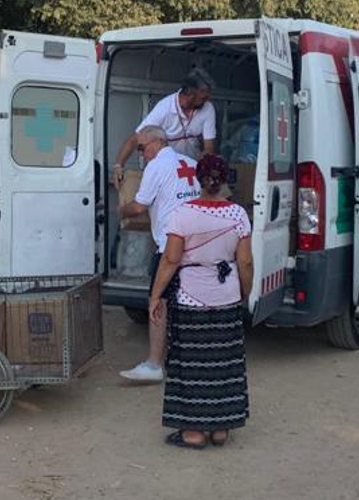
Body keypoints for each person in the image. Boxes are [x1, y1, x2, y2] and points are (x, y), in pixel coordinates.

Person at [150, 153, 253, 448]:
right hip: (226, 298)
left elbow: (171, 260)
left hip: (190, 300)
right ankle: (221, 429)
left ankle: (194, 432)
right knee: (224, 364)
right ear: (224, 181)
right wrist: (242, 293)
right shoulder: (237, 215)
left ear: (198, 178)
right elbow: (245, 263)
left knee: (191, 365)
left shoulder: (182, 214)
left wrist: (155, 296)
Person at [118, 126, 202, 382]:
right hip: (197, 245)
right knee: (192, 304)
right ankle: (192, 361)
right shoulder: (189, 163)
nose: (141, 155)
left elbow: (140, 205)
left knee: (159, 303)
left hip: (170, 248)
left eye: (142, 149)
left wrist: (121, 209)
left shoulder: (155, 167)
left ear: (155, 143)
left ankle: (154, 365)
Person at [112, 68, 217, 188]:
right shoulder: (164, 108)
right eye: (203, 98)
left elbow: (209, 147)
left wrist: (202, 167)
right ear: (190, 95)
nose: (207, 100)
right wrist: (118, 165)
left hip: (191, 168)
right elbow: (135, 138)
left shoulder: (208, 108)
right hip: (166, 169)